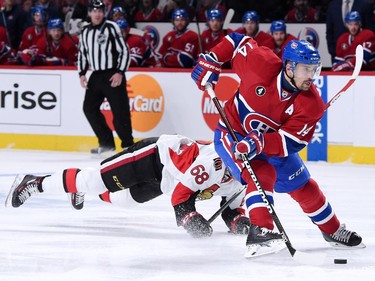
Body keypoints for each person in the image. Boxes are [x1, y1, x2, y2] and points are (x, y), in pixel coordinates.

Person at [191, 33, 365, 257]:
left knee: (303, 185)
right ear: (290, 67)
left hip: (268, 144)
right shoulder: (260, 63)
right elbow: (236, 41)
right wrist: (212, 59)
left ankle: (332, 231)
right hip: (232, 135)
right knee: (262, 173)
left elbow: (291, 142)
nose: (311, 75)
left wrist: (259, 142)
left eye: (314, 69)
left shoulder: (311, 105)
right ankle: (260, 232)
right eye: (306, 69)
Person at [6, 134, 249, 238]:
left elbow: (231, 210)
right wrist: (190, 219)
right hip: (155, 157)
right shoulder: (214, 163)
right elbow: (180, 198)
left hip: (166, 181)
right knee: (93, 180)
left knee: (125, 200)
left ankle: (82, 190)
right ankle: (35, 183)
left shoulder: (242, 181)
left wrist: (241, 224)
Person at [77, 0, 134, 155]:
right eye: (94, 11)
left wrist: (120, 72)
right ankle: (106, 142)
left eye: (100, 11)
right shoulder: (85, 30)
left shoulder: (111, 27)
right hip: (95, 75)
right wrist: (82, 73)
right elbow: (82, 53)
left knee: (120, 110)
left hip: (112, 74)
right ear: (89, 13)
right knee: (89, 108)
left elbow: (124, 51)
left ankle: (128, 144)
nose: (97, 14)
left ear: (104, 13)